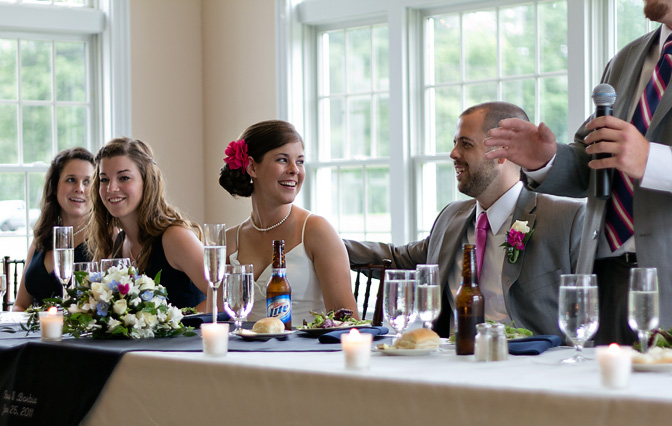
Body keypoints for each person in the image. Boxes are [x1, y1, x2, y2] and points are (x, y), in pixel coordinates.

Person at [484, 0, 672, 344]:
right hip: (603, 278)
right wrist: (547, 160)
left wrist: (652, 161)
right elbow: (594, 162)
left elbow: (638, 157)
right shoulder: (626, 59)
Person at [345, 102, 585, 338]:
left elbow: (588, 308)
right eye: (454, 143)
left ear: (502, 152)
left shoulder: (565, 219)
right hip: (452, 362)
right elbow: (398, 260)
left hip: (529, 365)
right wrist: (324, 242)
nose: (453, 154)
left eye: (465, 144)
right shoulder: (451, 216)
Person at [219, 120, 359, 325]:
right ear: (251, 167)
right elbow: (216, 313)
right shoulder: (231, 240)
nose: (295, 170)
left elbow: (347, 320)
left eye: (300, 161)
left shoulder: (316, 230)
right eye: (283, 160)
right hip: (244, 352)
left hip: (306, 353)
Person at [88, 137, 207, 311]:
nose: (111, 188)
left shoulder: (175, 236)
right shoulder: (117, 242)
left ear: (147, 181)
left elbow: (224, 294)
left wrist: (174, 325)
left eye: (124, 178)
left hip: (191, 337)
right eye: (104, 179)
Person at [12, 148, 95, 311]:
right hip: (32, 334)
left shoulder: (106, 239)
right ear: (55, 186)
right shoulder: (41, 238)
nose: (80, 188)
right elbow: (20, 305)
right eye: (71, 180)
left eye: (87, 181)